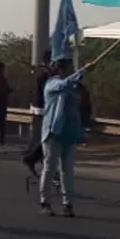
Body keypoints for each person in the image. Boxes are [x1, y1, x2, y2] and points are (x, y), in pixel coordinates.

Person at [38, 58, 87, 217]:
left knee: (68, 170)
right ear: (60, 69)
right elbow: (63, 85)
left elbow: (77, 109)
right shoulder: (52, 83)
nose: (71, 70)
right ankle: (45, 201)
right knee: (50, 168)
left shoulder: (73, 87)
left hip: (70, 133)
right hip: (53, 132)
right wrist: (84, 71)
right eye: (69, 68)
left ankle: (68, 204)